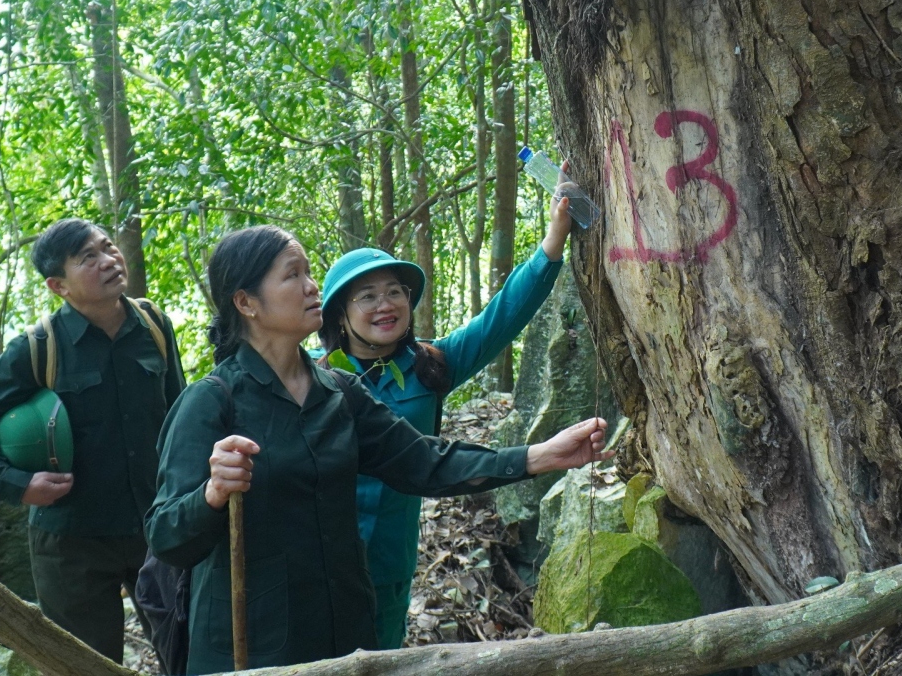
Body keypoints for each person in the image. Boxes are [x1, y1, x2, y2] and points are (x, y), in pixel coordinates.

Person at [145, 225, 608, 673]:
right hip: (250, 648)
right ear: (246, 302)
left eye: (309, 273)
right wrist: (212, 493)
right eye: (293, 276)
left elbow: (423, 462)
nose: (312, 287)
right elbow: (166, 534)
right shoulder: (212, 401)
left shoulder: (339, 393)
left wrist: (540, 456)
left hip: (346, 638)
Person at [317, 194, 572, 649]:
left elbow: (502, 317)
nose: (386, 304)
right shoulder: (311, 378)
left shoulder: (430, 363)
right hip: (321, 563)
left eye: (396, 291)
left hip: (391, 562)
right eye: (368, 296)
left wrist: (553, 241)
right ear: (340, 313)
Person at [0, 219, 185, 662]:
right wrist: (16, 484)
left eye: (108, 247)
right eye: (88, 258)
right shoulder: (38, 346)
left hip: (157, 528)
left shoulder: (154, 325)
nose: (109, 260)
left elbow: (179, 412)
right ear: (58, 285)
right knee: (82, 666)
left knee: (189, 654)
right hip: (71, 543)